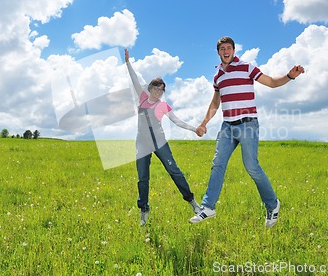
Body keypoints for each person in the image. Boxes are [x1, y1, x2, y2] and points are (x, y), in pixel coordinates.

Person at [189, 36, 305, 228]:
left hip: (247, 124)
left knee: (251, 166)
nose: (226, 51)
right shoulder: (218, 76)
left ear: (234, 50)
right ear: (218, 52)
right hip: (227, 126)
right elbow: (216, 102)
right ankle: (208, 207)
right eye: (222, 49)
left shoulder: (246, 67)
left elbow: (272, 83)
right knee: (218, 164)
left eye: (229, 48)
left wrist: (290, 76)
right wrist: (204, 123)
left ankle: (272, 204)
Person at [125, 48, 201, 226]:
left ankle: (192, 201)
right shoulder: (142, 96)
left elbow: (177, 121)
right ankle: (144, 210)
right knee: (143, 178)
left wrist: (194, 128)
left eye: (162, 90)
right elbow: (134, 78)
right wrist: (128, 62)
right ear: (150, 88)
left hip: (159, 142)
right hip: (142, 143)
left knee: (174, 171)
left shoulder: (163, 105)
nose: (159, 92)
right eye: (156, 89)